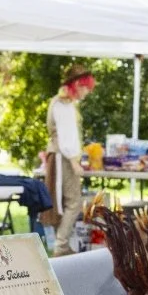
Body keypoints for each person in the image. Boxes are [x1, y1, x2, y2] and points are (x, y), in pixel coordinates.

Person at [46, 64, 97, 247]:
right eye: (85, 87)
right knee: (73, 202)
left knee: (65, 201)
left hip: (62, 156)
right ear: (77, 84)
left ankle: (62, 244)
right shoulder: (63, 104)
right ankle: (61, 244)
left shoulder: (64, 103)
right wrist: (74, 160)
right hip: (64, 158)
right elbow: (66, 136)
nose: (87, 91)